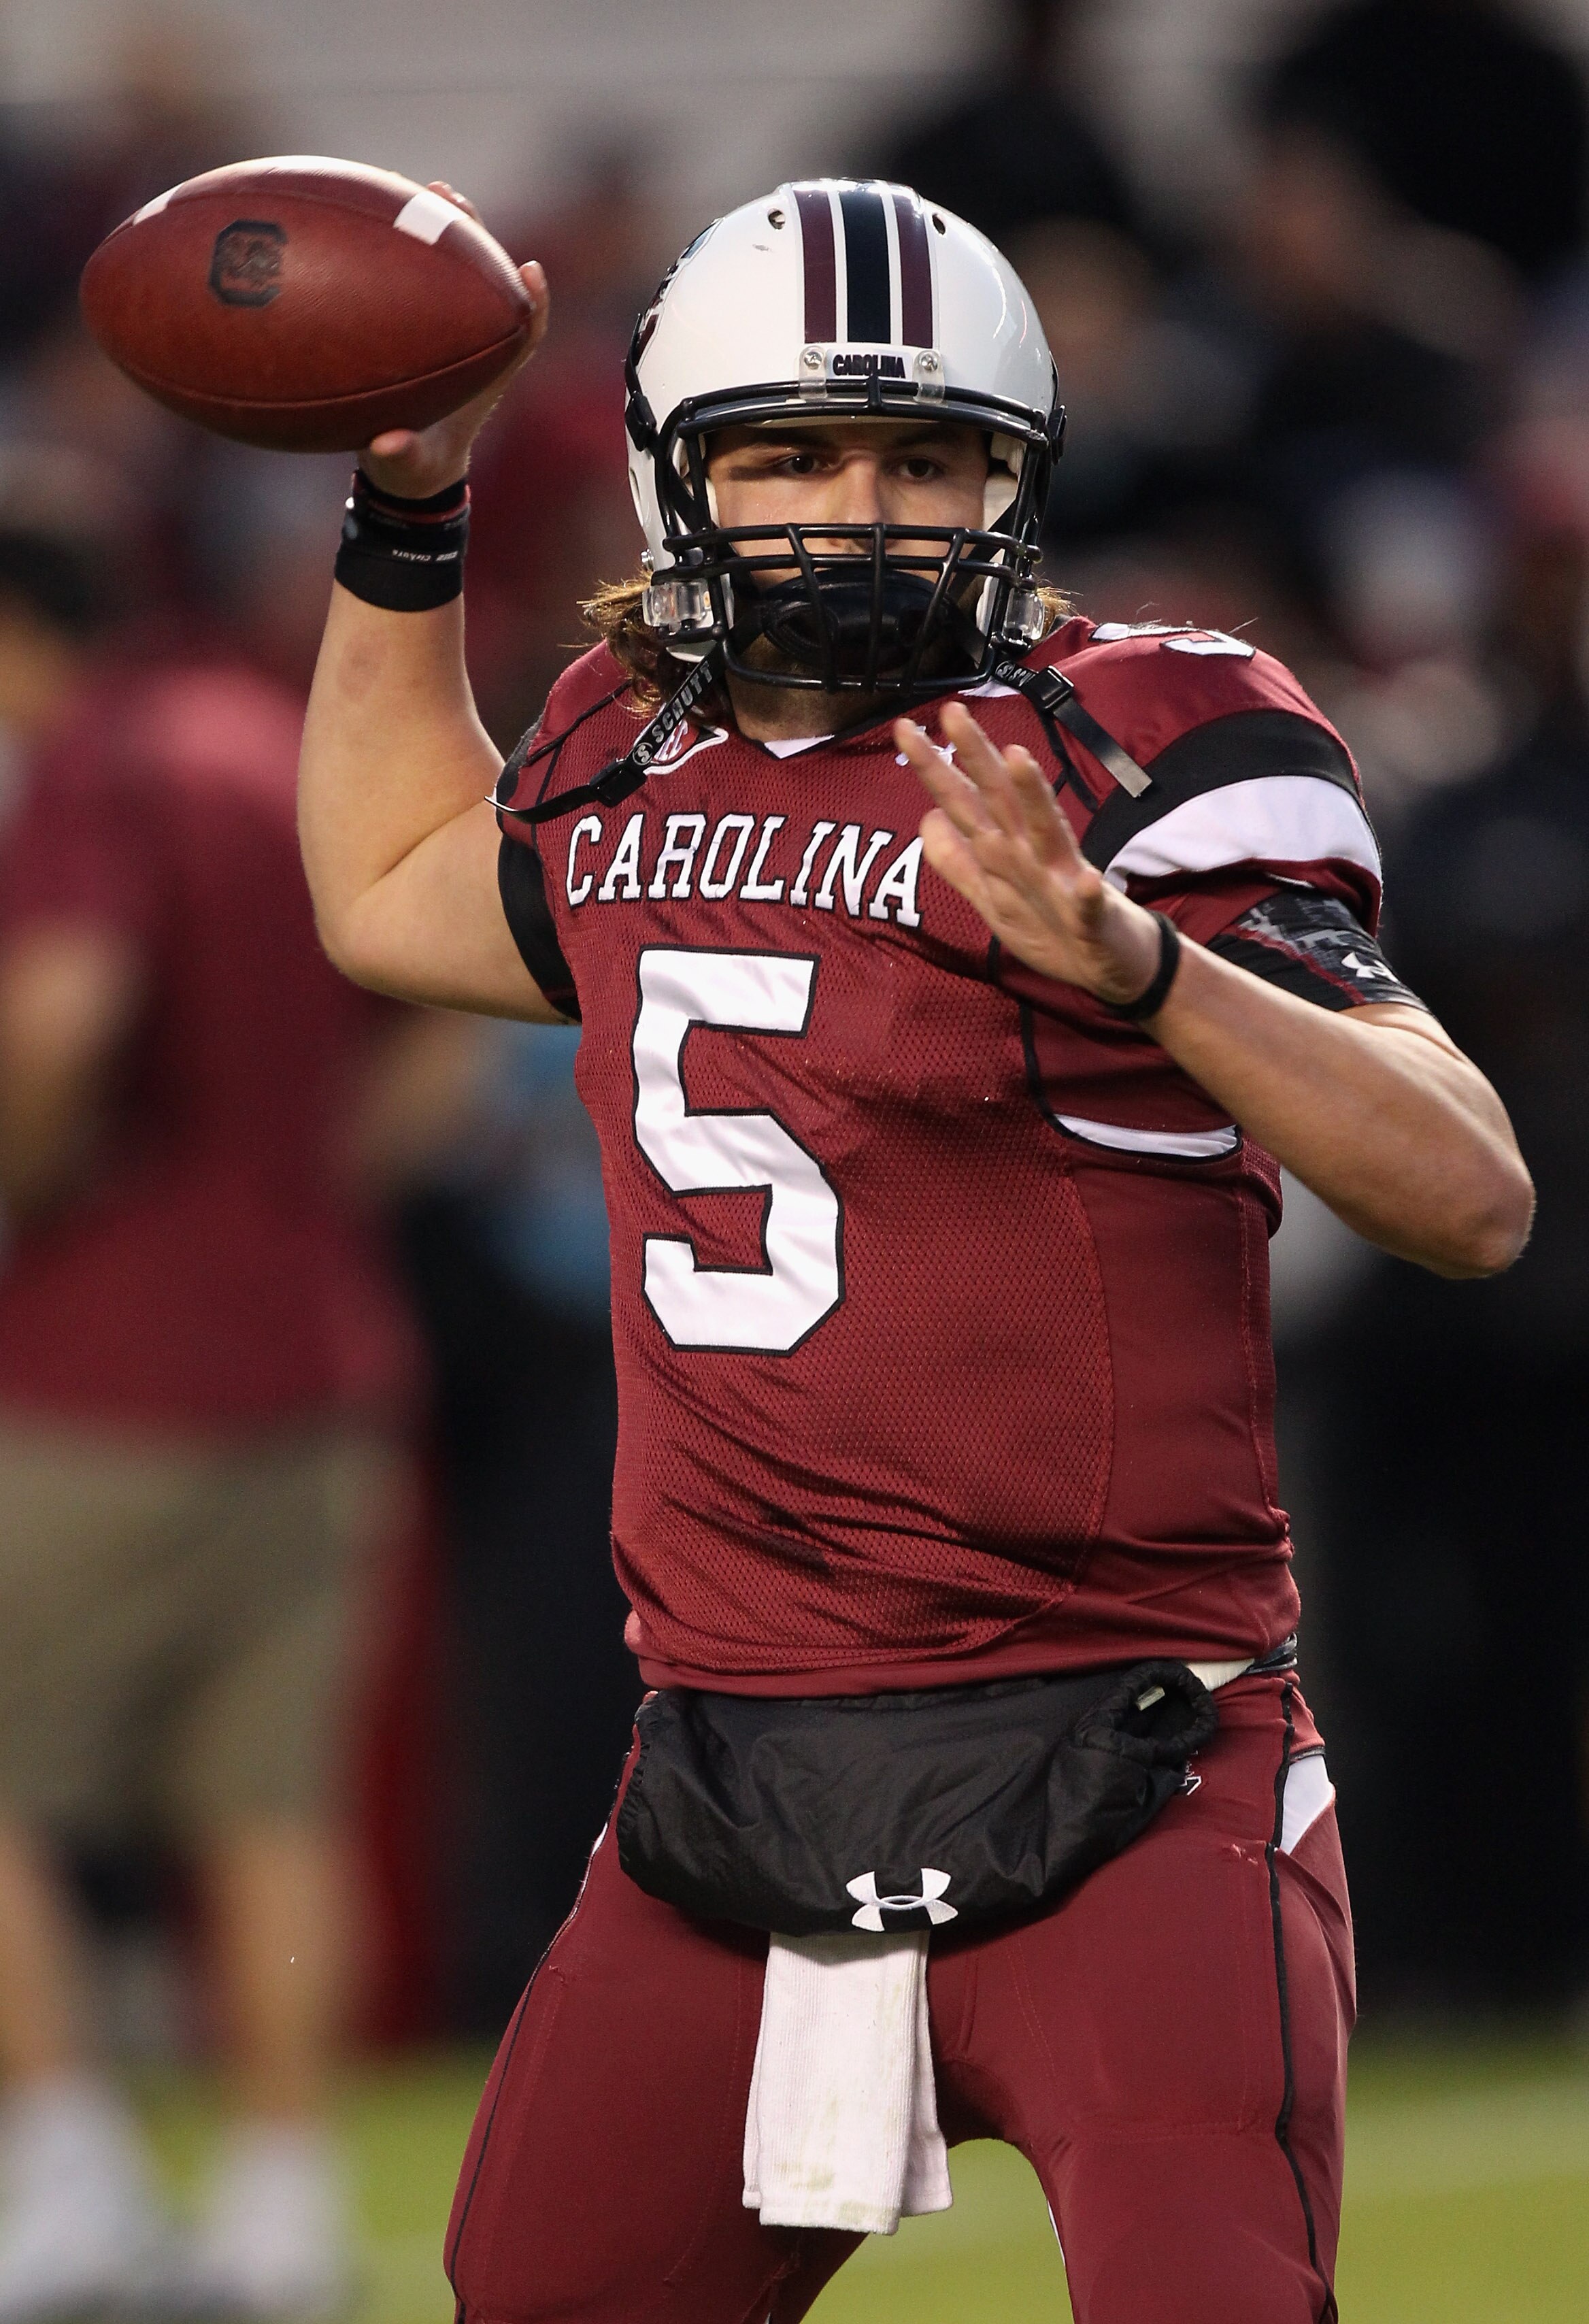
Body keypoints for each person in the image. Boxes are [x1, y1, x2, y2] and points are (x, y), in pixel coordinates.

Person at [297, 178, 1533, 2324]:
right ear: (685, 472)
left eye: (925, 457)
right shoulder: (620, 737)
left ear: (1017, 480)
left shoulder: (1143, 740)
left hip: (1130, 1760)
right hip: (730, 1768)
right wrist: (411, 502)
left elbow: (1465, 1188)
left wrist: (1145, 966)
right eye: (791, 454)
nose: (861, 510)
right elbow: (395, 882)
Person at [0, 510, 431, 2321]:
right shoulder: (266, 743)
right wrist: (313, 1189)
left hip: (96, 1366)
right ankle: (277, 2205)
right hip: (323, 1358)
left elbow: (63, 1016)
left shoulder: (98, 763)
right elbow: (439, 1014)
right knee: (270, 1808)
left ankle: (72, 2176)